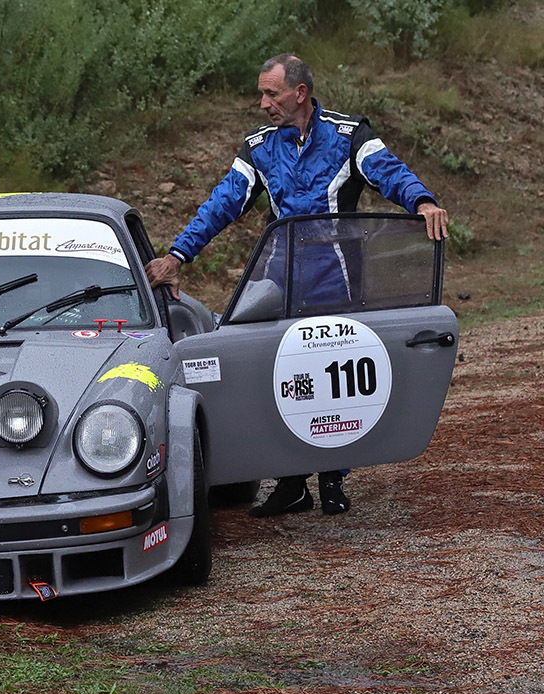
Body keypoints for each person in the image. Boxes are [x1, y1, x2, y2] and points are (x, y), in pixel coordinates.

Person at [144, 54, 451, 518]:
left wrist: (423, 201)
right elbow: (222, 203)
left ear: (300, 93)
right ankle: (291, 482)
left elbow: (390, 171)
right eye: (262, 93)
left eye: (272, 93)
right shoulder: (259, 148)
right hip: (279, 283)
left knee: (336, 381)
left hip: (339, 282)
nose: (263, 102)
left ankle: (331, 478)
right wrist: (178, 254)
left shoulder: (350, 136)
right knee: (282, 376)